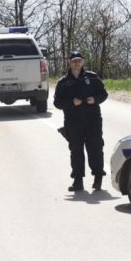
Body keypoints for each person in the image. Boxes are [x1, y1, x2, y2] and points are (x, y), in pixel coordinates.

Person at [54, 51, 108, 191]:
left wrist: (95, 100)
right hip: (73, 121)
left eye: (79, 60)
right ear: (69, 62)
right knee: (76, 151)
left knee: (95, 149)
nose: (77, 63)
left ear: (83, 62)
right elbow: (57, 103)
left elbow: (103, 93)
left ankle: (98, 179)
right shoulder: (63, 82)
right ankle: (78, 181)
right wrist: (72, 102)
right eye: (74, 60)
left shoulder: (92, 77)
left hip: (93, 120)